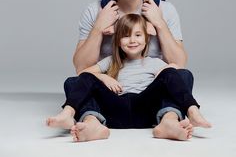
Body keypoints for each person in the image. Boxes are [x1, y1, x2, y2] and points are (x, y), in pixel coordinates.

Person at [71, 0, 193, 141]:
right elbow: (81, 68)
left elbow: (178, 65)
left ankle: (168, 120)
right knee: (75, 83)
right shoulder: (95, 11)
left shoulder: (165, 10)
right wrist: (98, 28)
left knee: (183, 76)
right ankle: (93, 124)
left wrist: (159, 24)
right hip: (110, 99)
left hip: (151, 98)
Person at [47, 14, 211, 142]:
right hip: (114, 109)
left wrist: (165, 75)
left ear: (146, 39)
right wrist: (105, 78)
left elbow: (175, 70)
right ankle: (89, 123)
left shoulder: (154, 62)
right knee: (73, 81)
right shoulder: (110, 61)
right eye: (126, 36)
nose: (132, 40)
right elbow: (83, 73)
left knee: (183, 75)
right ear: (118, 41)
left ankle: (176, 118)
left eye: (138, 35)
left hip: (146, 109)